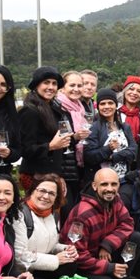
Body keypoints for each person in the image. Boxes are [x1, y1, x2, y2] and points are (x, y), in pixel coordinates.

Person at [63, 168, 140, 279]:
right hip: (83, 264)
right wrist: (109, 267)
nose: (110, 189)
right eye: (104, 184)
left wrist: (108, 245)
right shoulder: (82, 215)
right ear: (94, 186)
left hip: (103, 252)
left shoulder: (116, 201)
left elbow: (127, 223)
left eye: (114, 184)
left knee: (135, 238)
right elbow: (76, 255)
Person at [14, 174, 78, 279]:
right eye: (41, 191)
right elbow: (19, 256)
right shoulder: (20, 215)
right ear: (32, 191)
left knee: (71, 263)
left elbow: (51, 243)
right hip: (22, 272)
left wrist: (64, 249)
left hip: (39, 268)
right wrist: (56, 260)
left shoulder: (52, 215)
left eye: (51, 193)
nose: (45, 196)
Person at [17, 66, 73, 191]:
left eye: (54, 83)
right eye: (46, 83)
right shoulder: (29, 112)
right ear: (36, 85)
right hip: (35, 176)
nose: (51, 87)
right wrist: (50, 146)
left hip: (53, 175)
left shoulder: (55, 110)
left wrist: (60, 175)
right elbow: (25, 149)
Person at [84, 88, 138, 182]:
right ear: (98, 107)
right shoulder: (94, 128)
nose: (106, 106)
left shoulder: (125, 127)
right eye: (102, 104)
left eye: (110, 103)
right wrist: (108, 149)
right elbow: (89, 156)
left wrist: (114, 157)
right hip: (103, 181)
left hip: (124, 179)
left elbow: (133, 150)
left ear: (116, 105)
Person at [56, 71, 94, 205]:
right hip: (63, 169)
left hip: (76, 168)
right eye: (72, 85)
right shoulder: (58, 108)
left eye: (79, 85)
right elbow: (58, 140)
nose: (76, 89)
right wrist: (75, 138)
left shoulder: (80, 109)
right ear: (62, 88)